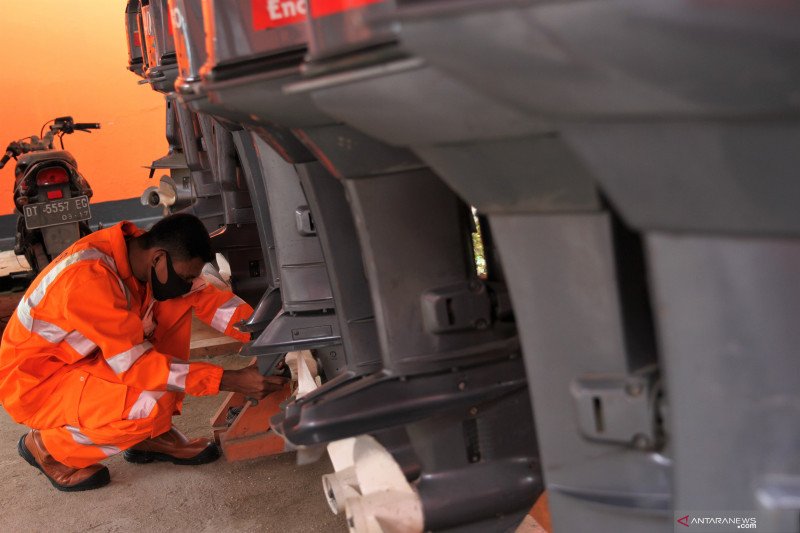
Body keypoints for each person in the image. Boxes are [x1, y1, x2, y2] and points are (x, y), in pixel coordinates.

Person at [0, 213, 285, 492]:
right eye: (186, 275)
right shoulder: (89, 280)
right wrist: (230, 379)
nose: (188, 283)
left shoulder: (140, 258)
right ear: (158, 257)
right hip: (38, 383)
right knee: (147, 402)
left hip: (85, 361)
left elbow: (210, 300)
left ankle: (150, 435)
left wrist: (273, 336)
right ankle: (47, 448)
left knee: (173, 302)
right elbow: (139, 368)